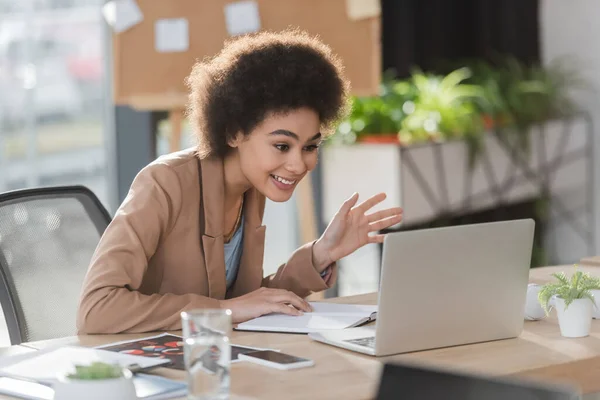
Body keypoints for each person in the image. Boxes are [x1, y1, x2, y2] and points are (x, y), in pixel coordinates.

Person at [76, 29, 403, 334]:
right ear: (234, 132)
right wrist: (224, 311)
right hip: (153, 373)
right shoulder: (164, 183)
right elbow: (97, 308)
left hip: (216, 360)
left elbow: (251, 302)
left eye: (310, 147)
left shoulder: (250, 189)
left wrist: (320, 254)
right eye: (281, 146)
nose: (298, 163)